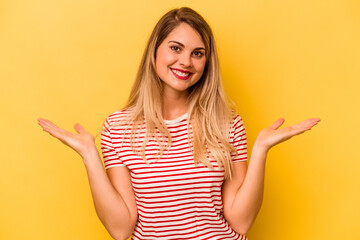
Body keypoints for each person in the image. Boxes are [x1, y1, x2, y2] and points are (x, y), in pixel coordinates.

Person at [37, 7, 320, 240]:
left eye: (198, 53)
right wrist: (89, 155)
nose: (186, 62)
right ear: (155, 52)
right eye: (176, 48)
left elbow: (242, 222)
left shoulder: (226, 124)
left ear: (207, 62)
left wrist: (259, 151)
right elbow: (121, 228)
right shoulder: (118, 127)